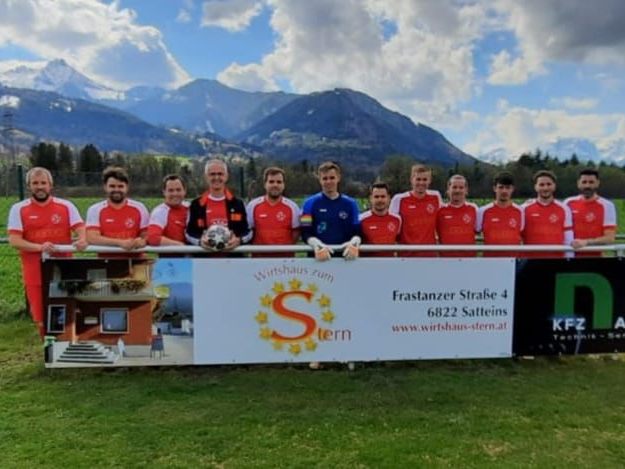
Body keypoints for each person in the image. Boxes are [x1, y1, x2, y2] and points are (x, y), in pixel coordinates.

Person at [8, 167, 87, 337]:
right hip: (34, 270)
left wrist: (82, 238)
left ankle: (67, 345)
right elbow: (15, 240)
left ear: (50, 185)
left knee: (67, 307)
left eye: (43, 183)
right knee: (40, 314)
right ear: (29, 186)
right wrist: (40, 248)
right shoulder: (18, 209)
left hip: (63, 269)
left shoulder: (66, 206)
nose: (39, 187)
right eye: (35, 183)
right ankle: (49, 350)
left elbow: (80, 226)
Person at [300, 161, 361, 261]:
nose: (328, 182)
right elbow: (305, 232)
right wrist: (317, 245)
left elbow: (357, 232)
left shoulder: (351, 204)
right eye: (325, 178)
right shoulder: (308, 203)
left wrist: (353, 243)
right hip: (319, 258)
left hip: (345, 259)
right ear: (320, 180)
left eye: (332, 178)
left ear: (338, 178)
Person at [186, 159, 251, 250]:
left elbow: (248, 232)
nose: (216, 177)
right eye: (212, 174)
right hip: (203, 260)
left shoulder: (238, 204)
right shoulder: (196, 205)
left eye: (220, 174)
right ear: (206, 177)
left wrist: (239, 240)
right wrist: (200, 242)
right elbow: (189, 233)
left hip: (233, 260)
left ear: (226, 176)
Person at [86, 166, 149, 255]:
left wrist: (142, 241)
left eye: (120, 186)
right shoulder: (95, 209)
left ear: (127, 187)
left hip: (136, 261)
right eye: (112, 186)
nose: (116, 190)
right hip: (106, 261)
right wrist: (120, 243)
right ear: (105, 187)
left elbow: (147, 235)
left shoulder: (140, 208)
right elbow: (91, 237)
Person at [389, 164, 442, 256]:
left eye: (425, 179)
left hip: (429, 256)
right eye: (418, 179)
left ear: (429, 181)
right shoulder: (399, 199)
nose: (421, 183)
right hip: (406, 256)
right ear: (411, 180)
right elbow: (391, 227)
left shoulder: (436, 197)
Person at [246, 167, 300, 256]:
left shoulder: (292, 207)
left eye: (279, 182)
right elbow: (249, 231)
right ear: (265, 184)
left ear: (284, 185)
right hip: (259, 261)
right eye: (271, 181)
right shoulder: (253, 206)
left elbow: (296, 233)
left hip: (285, 261)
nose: (275, 185)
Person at [565, 168, 617, 257]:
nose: (587, 186)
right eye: (584, 182)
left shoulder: (607, 205)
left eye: (591, 182)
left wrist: (586, 242)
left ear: (597, 183)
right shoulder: (568, 202)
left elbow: (610, 238)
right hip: (569, 256)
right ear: (578, 183)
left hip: (595, 257)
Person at [522, 170, 573, 258]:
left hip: (556, 259)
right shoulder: (524, 208)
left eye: (549, 184)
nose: (545, 188)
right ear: (535, 187)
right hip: (530, 261)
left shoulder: (564, 208)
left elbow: (568, 238)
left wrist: (570, 258)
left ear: (554, 186)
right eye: (541, 185)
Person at [476, 171, 524, 257]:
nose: (504, 191)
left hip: (513, 262)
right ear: (495, 188)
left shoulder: (520, 211)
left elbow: (521, 231)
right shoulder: (483, 211)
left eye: (507, 187)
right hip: (490, 261)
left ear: (512, 189)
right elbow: (476, 230)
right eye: (501, 187)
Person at [436, 175, 478, 257]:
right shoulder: (440, 210)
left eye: (461, 187)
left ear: (466, 190)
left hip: (469, 261)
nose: (457, 190)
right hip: (446, 260)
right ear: (448, 190)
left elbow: (478, 230)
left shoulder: (474, 209)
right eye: (454, 187)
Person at [359, 182, 401, 257]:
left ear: (388, 198)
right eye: (376, 197)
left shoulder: (397, 219)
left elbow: (397, 241)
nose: (380, 200)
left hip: (390, 266)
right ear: (371, 198)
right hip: (368, 266)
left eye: (383, 196)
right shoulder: (361, 219)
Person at [147, 174, 189, 246]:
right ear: (164, 192)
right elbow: (153, 238)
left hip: (196, 257)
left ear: (184, 191)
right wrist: (181, 246)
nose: (175, 193)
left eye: (178, 190)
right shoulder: (160, 212)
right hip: (171, 257)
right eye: (170, 190)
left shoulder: (191, 208)